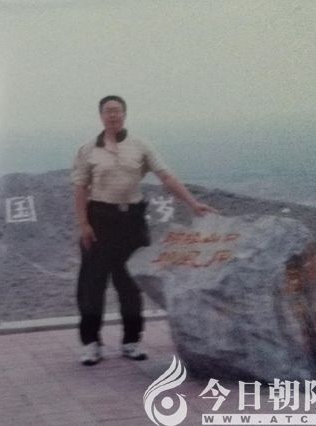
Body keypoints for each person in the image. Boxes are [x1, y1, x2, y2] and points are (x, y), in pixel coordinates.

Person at [71, 95, 217, 366]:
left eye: (117, 111)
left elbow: (166, 177)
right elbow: (80, 188)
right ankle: (91, 344)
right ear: (101, 116)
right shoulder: (88, 149)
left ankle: (131, 341)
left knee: (130, 285)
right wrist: (83, 224)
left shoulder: (140, 145)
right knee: (91, 286)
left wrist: (192, 203)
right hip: (99, 219)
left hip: (131, 221)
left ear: (125, 114)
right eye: (108, 111)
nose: (113, 115)